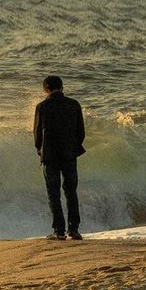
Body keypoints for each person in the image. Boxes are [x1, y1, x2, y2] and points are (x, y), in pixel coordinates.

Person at [33, 75, 85, 241]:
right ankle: (74, 230)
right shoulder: (74, 104)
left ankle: (59, 231)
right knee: (71, 191)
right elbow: (81, 132)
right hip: (69, 154)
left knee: (53, 193)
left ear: (45, 89)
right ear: (62, 87)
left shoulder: (42, 107)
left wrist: (39, 150)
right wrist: (73, 146)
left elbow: (37, 133)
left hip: (50, 155)